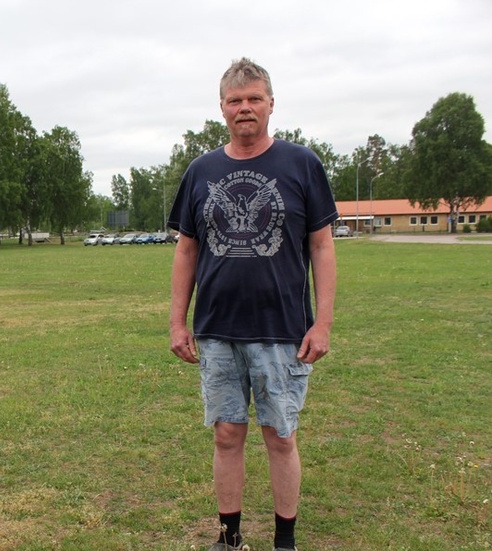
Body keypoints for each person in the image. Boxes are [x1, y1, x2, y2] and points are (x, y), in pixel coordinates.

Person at [167, 58, 337, 551]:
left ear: (270, 104)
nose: (245, 108)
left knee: (280, 436)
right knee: (226, 435)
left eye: (254, 98)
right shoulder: (202, 171)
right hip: (218, 329)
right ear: (222, 108)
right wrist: (178, 322)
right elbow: (187, 249)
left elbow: (323, 246)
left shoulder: (301, 164)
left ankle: (285, 540)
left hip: (282, 329)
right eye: (235, 100)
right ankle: (230, 536)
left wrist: (322, 322)